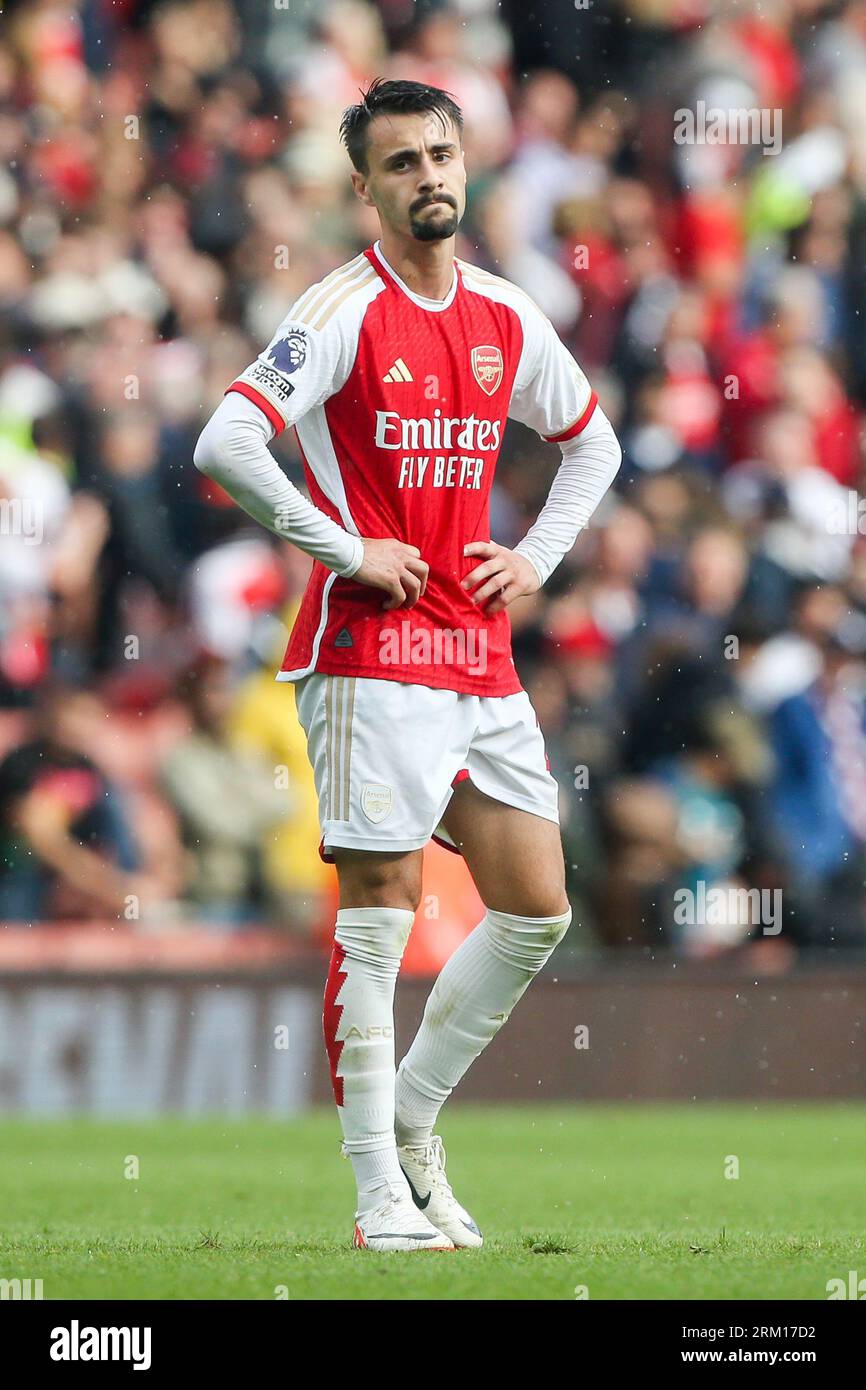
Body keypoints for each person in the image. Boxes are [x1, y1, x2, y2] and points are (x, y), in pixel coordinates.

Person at [193, 78, 622, 1252]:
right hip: (372, 648)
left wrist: (535, 555)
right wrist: (342, 547)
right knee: (378, 916)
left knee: (535, 905)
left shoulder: (501, 315)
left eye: (440, 154)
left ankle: (417, 1119)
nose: (427, 175)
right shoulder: (339, 309)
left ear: (464, 164)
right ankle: (377, 1189)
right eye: (400, 163)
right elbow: (224, 439)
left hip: (474, 651)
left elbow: (592, 442)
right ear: (364, 189)